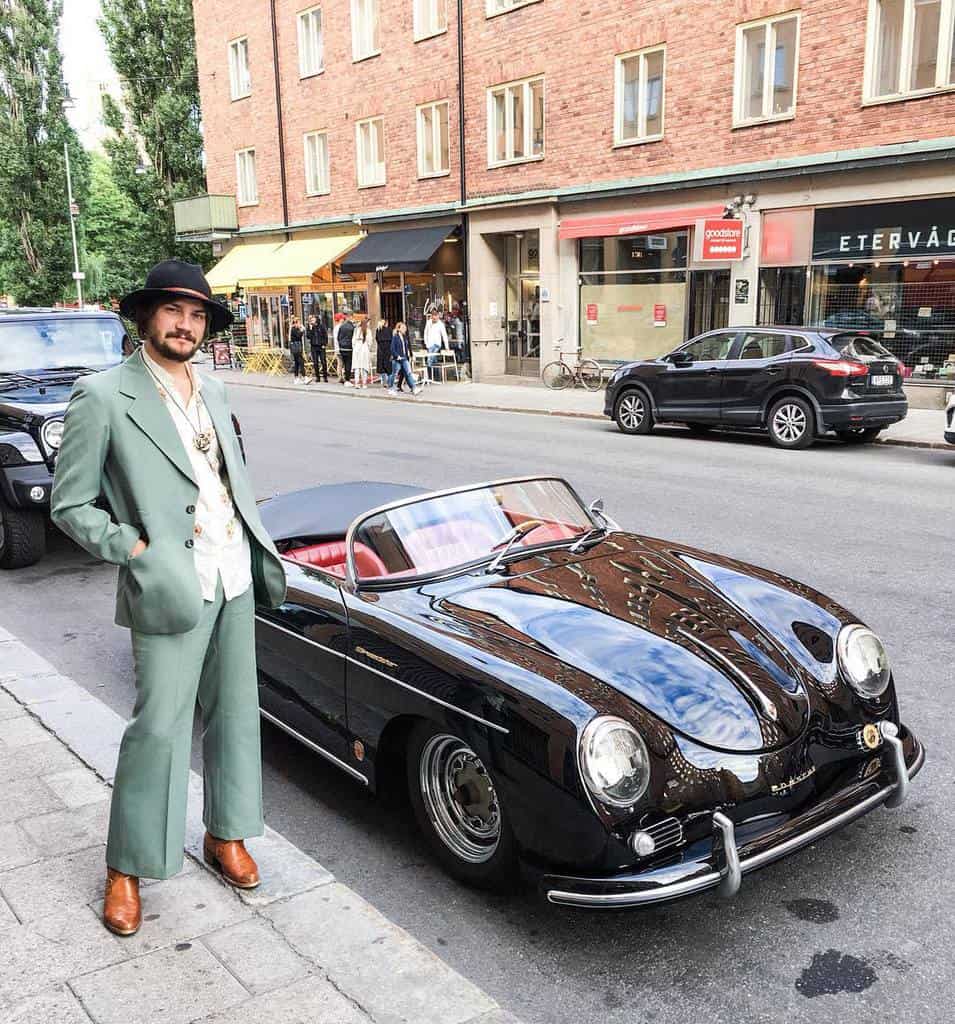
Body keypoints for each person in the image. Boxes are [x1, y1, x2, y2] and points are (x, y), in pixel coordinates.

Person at [49, 259, 287, 938]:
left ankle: (226, 833)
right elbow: (70, 503)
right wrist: (134, 549)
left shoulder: (214, 388)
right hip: (168, 581)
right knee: (158, 727)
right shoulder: (103, 395)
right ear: (146, 316)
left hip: (232, 574)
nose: (186, 325)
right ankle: (127, 866)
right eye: (173, 311)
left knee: (236, 715)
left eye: (197, 315)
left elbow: (225, 481)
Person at [390, 321, 420, 396]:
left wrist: (408, 356)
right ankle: (391, 388)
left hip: (404, 358)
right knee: (395, 373)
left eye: (405, 328)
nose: (405, 329)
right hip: (397, 359)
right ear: (399, 329)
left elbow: (406, 348)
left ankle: (414, 388)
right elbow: (392, 349)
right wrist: (397, 356)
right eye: (403, 328)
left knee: (408, 373)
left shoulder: (404, 337)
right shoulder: (395, 337)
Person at [423, 309, 449, 381]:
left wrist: (447, 347)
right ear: (431, 316)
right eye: (433, 317)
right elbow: (425, 333)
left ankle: (429, 377)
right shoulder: (428, 323)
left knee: (429, 360)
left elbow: (444, 335)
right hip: (429, 344)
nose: (434, 318)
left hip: (436, 344)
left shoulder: (441, 324)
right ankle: (436, 377)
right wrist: (426, 343)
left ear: (438, 316)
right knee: (434, 360)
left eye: (436, 316)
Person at [306, 314, 328, 383]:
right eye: (311, 320)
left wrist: (324, 344)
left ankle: (325, 376)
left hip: (321, 346)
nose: (312, 320)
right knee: (315, 362)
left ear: (316, 320)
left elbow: (325, 336)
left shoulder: (321, 326)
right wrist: (310, 329)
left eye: (313, 319)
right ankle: (317, 377)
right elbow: (308, 336)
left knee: (323, 362)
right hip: (314, 347)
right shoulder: (310, 327)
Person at [352, 316, 371, 389]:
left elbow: (353, 341)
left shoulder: (356, 330)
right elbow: (369, 341)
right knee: (364, 367)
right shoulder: (368, 330)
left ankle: (357, 383)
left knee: (357, 367)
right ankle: (364, 383)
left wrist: (354, 347)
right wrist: (368, 348)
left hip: (357, 348)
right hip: (364, 347)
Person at [337, 313, 355, 385]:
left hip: (342, 348)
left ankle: (344, 378)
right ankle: (347, 379)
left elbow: (338, 337)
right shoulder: (352, 327)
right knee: (348, 364)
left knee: (343, 363)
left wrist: (340, 344)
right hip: (349, 348)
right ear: (351, 318)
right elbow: (353, 338)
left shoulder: (342, 326)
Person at [375, 319, 392, 387]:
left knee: (382, 367)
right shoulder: (389, 330)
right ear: (386, 324)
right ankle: (389, 382)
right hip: (388, 350)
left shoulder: (378, 330)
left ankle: (384, 382)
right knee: (389, 367)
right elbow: (392, 339)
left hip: (380, 350)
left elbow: (377, 339)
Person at [288, 316, 305, 382]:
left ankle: (296, 377)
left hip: (297, 347)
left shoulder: (295, 329)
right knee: (301, 362)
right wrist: (302, 330)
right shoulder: (293, 329)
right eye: (299, 323)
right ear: (295, 323)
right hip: (296, 348)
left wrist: (301, 330)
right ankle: (304, 377)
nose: (300, 324)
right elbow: (298, 336)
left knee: (297, 363)